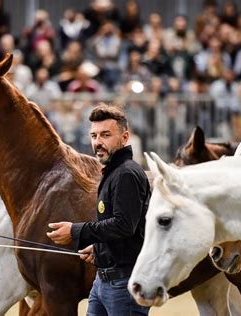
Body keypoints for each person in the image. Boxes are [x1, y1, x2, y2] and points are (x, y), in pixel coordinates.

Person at [47, 103, 151, 315]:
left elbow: (124, 225)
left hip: (124, 285)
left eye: (105, 135)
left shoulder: (126, 174)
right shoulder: (113, 172)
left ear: (124, 137)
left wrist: (76, 232)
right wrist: (99, 249)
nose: (98, 142)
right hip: (103, 282)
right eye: (94, 136)